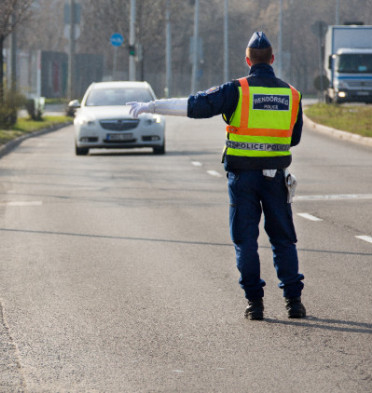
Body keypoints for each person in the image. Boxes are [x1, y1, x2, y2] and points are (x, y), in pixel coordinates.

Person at [127, 31, 306, 320]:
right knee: (283, 240)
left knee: (246, 241)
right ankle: (294, 302)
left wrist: (152, 106)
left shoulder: (237, 90)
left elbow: (195, 105)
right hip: (276, 179)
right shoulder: (293, 94)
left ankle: (255, 304)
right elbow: (293, 139)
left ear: (247, 60)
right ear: (272, 59)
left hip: (242, 179)